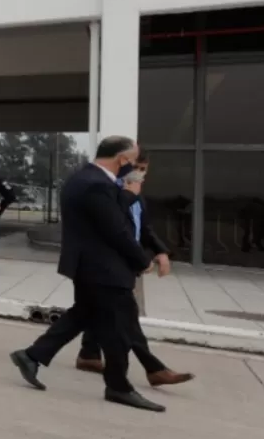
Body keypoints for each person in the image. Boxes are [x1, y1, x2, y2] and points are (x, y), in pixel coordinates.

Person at [9, 136, 165, 412]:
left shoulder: (84, 178)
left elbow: (109, 216)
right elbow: (116, 229)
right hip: (103, 267)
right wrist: (142, 260)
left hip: (90, 265)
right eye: (132, 162)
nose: (134, 168)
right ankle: (119, 387)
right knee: (119, 328)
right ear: (122, 159)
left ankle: (32, 356)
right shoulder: (96, 184)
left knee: (82, 314)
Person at [70, 153, 193, 385]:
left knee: (94, 311)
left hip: (120, 265)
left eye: (144, 169)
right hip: (103, 265)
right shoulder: (107, 190)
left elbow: (144, 228)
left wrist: (161, 252)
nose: (139, 173)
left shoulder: (136, 196)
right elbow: (112, 226)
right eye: (136, 167)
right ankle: (153, 369)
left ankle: (87, 353)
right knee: (126, 317)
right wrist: (141, 259)